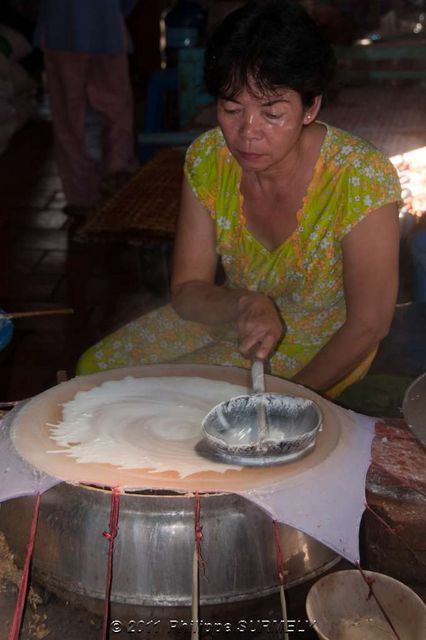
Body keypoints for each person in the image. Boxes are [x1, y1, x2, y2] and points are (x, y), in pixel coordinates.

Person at [77, 0, 401, 399]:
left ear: (310, 107)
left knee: (186, 405)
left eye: (272, 114)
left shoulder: (360, 177)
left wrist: (292, 399)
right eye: (231, 109)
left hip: (324, 342)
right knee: (93, 374)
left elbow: (369, 325)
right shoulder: (208, 159)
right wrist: (246, 305)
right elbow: (188, 289)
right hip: (236, 313)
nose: (248, 132)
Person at [34, 0, 139, 214]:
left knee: (68, 119)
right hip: (105, 26)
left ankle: (81, 194)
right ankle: (117, 176)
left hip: (60, 28)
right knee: (116, 110)